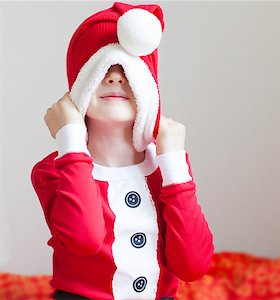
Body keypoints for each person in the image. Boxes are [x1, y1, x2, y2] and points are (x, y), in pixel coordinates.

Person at [30, 2, 214, 299]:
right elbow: (84, 239)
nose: (115, 78)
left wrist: (175, 166)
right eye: (101, 68)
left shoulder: (166, 166)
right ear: (79, 86)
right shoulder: (53, 170)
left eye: (128, 69)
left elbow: (193, 266)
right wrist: (72, 139)